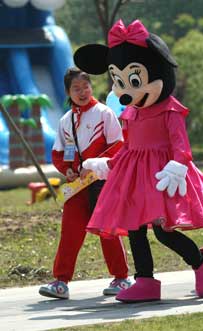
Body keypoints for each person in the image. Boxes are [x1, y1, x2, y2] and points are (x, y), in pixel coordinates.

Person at [74, 19, 203, 302]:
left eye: (132, 80)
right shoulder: (131, 113)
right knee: (134, 227)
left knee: (163, 231)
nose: (126, 91)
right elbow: (128, 147)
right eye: (120, 81)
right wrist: (107, 164)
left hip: (163, 175)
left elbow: (182, 146)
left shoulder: (169, 110)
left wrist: (178, 167)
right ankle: (145, 280)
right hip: (134, 175)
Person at [39, 68, 131, 299]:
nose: (82, 92)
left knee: (107, 230)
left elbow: (118, 146)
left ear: (91, 86)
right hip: (77, 186)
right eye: (76, 89)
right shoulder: (65, 120)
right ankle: (60, 281)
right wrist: (68, 170)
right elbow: (61, 154)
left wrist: (95, 165)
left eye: (85, 86)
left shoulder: (104, 113)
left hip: (102, 182)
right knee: (70, 231)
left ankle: (121, 278)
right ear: (68, 92)